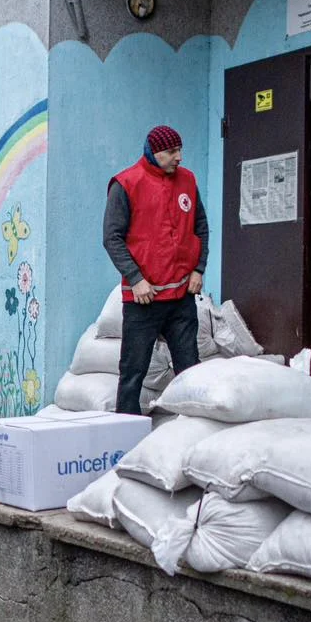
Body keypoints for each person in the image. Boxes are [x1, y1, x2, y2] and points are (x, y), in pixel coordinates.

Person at [103, 124, 210, 415]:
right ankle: (125, 429)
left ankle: (193, 426)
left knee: (190, 368)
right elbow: (112, 238)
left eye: (180, 150)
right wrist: (136, 279)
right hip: (143, 300)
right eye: (172, 151)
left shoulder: (188, 180)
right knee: (133, 371)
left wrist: (198, 269)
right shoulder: (126, 184)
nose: (179, 157)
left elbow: (200, 227)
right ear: (154, 152)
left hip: (181, 297)